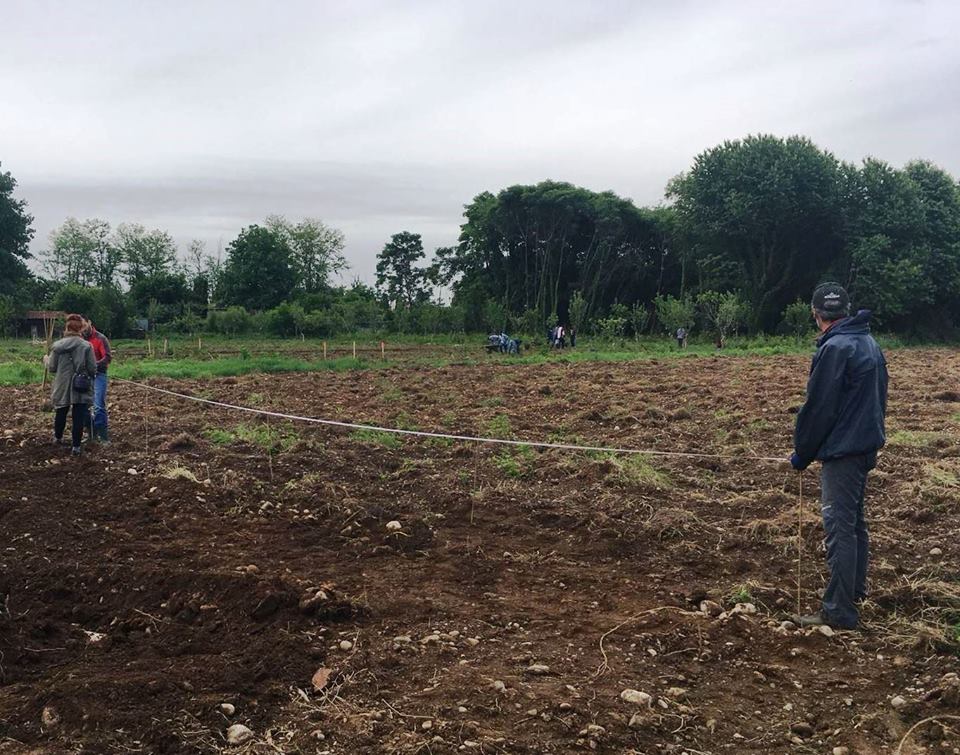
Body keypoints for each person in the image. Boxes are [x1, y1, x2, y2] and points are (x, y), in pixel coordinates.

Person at [790, 283, 888, 630]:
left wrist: (803, 453)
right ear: (844, 311)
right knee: (855, 524)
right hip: (864, 446)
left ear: (817, 315)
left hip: (844, 452)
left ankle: (839, 611)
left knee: (839, 528)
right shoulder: (868, 342)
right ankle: (853, 591)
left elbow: (819, 409)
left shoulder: (836, 348)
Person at [44, 314, 96, 456]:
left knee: (61, 411)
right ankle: (76, 447)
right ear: (81, 328)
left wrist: (46, 360)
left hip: (62, 383)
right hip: (80, 384)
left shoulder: (57, 346)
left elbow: (52, 368)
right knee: (78, 415)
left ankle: (58, 438)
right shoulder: (87, 346)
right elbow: (92, 369)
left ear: (66, 328)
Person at [83, 319, 112, 443]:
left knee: (98, 405)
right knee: (83, 406)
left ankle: (103, 436)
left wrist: (94, 365)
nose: (83, 328)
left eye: (84, 325)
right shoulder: (79, 340)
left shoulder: (100, 338)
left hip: (99, 374)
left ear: (89, 322)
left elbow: (107, 357)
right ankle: (91, 433)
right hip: (84, 376)